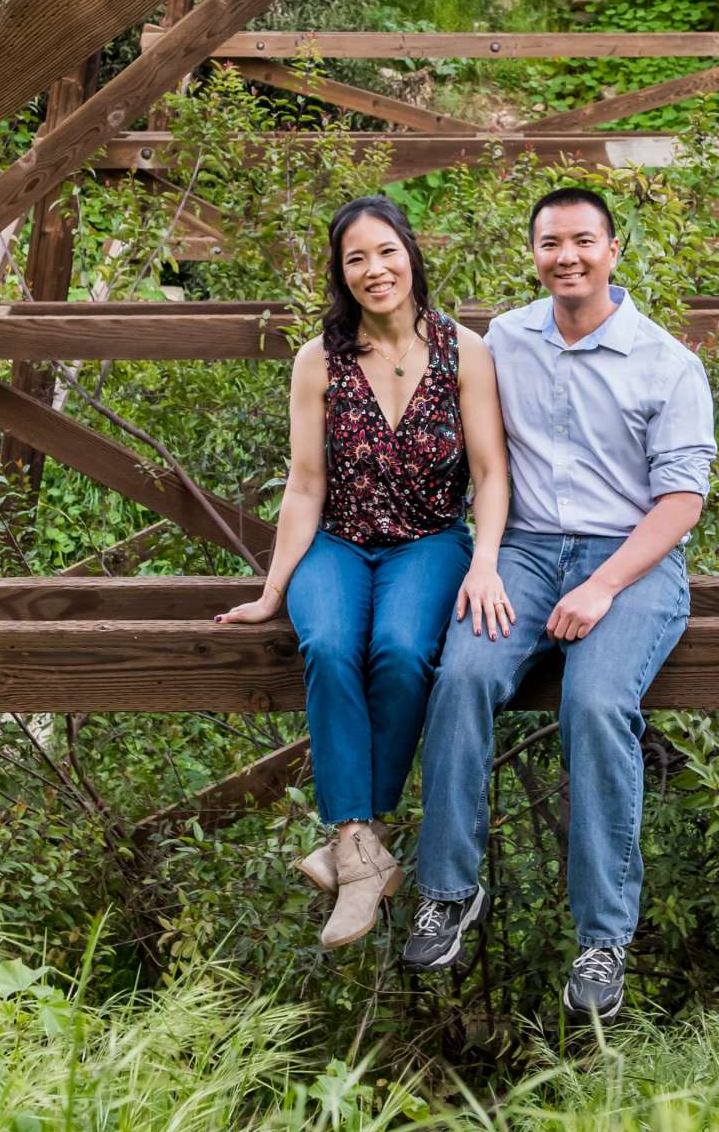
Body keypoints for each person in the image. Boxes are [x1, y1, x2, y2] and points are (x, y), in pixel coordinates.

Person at [403, 186, 715, 1022]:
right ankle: (448, 891)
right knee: (461, 677)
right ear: (533, 253)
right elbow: (399, 350)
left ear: (615, 250)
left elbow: (682, 502)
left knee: (595, 701)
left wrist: (604, 584)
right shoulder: (503, 340)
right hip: (526, 553)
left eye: (583, 241)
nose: (566, 257)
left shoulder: (667, 363)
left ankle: (603, 939)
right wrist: (484, 557)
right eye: (550, 243)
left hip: (632, 561)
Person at [216, 195, 511, 950]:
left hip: (429, 542)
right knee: (328, 647)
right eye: (356, 259)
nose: (375, 270)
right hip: (338, 544)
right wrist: (270, 591)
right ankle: (360, 847)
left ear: (410, 252)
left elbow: (490, 471)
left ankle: (357, 845)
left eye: (386, 251)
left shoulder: (463, 351)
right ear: (340, 274)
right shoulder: (318, 359)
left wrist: (484, 563)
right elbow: (306, 483)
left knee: (405, 652)